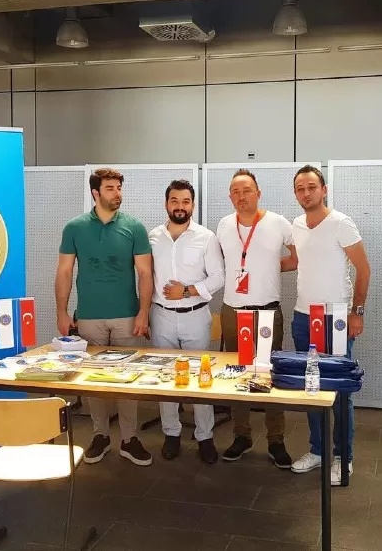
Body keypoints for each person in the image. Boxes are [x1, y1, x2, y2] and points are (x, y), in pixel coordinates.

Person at [55, 167, 154, 467]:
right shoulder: (74, 228)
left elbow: (145, 273)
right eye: (110, 188)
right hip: (89, 317)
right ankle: (100, 435)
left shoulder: (134, 227)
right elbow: (64, 271)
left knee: (128, 379)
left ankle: (129, 438)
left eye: (119, 188)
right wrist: (61, 311)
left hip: (127, 316)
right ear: (95, 193)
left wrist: (144, 312)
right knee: (92, 380)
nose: (117, 193)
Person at [289, 165, 370, 485]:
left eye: (311, 187)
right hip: (303, 316)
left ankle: (342, 457)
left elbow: (364, 269)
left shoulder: (341, 223)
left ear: (323, 190)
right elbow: (298, 263)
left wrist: (357, 312)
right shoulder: (296, 225)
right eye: (300, 188)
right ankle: (318, 450)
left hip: (335, 317)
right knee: (311, 387)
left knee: (339, 390)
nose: (306, 193)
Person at [216, 169, 297, 468]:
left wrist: (271, 268)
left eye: (247, 190)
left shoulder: (278, 223)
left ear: (258, 193)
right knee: (237, 373)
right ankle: (242, 435)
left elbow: (297, 257)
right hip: (233, 310)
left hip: (266, 310)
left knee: (267, 374)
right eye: (235, 192)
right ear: (230, 197)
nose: (241, 196)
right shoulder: (224, 225)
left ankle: (276, 439)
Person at [148, 179, 225, 464]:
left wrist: (187, 291)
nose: (180, 207)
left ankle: (205, 436)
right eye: (175, 201)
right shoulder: (153, 237)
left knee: (202, 378)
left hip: (195, 315)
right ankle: (171, 433)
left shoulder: (206, 237)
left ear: (192, 205)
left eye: (185, 201)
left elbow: (218, 277)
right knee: (166, 378)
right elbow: (145, 276)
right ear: (166, 203)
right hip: (162, 316)